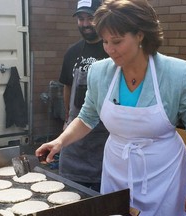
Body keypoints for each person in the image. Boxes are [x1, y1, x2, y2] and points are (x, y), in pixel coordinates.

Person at [36, 0, 186, 215]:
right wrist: (59, 141)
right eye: (106, 41)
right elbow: (86, 118)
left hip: (165, 174)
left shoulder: (176, 73)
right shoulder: (100, 72)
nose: (109, 49)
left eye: (117, 41)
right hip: (117, 171)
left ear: (140, 35)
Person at [57, 0, 109, 192]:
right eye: (81, 18)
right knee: (70, 192)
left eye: (90, 18)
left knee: (101, 197)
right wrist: (67, 118)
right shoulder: (72, 52)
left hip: (104, 135)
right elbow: (67, 86)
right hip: (75, 134)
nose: (85, 24)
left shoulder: (111, 50)